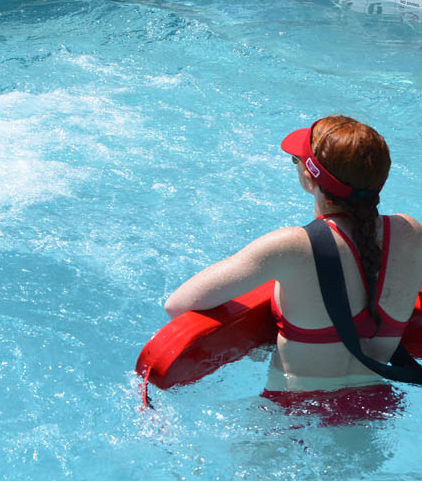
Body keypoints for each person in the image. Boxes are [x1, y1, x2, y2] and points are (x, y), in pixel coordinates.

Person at [164, 116, 422, 424]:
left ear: (310, 178)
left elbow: (177, 305)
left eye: (296, 160)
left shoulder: (289, 247)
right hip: (378, 406)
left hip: (294, 414)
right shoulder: (411, 233)